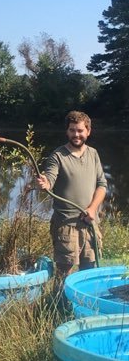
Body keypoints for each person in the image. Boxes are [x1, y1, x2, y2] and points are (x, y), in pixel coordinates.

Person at [36, 111, 107, 281]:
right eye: (72, 130)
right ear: (67, 132)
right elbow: (50, 178)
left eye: (80, 130)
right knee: (64, 273)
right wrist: (45, 182)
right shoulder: (58, 156)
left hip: (90, 223)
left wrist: (92, 208)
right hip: (66, 225)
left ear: (88, 131)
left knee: (88, 272)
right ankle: (60, 305)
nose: (76, 134)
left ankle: (81, 306)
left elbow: (102, 185)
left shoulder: (93, 154)